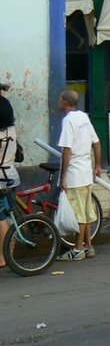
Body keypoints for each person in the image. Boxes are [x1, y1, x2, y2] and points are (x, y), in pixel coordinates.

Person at [56, 90, 102, 261]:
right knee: (86, 211)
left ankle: (77, 249)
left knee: (79, 214)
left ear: (65, 102)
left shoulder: (68, 120)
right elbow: (96, 143)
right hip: (85, 172)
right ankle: (88, 246)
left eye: (60, 99)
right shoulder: (83, 117)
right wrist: (97, 165)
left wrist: (63, 176)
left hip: (75, 174)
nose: (58, 101)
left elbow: (67, 151)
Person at [0, 84, 19, 268]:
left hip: (1, 177)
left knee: (0, 218)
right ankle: (8, 254)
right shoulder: (11, 130)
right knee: (7, 214)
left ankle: (4, 257)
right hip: (11, 174)